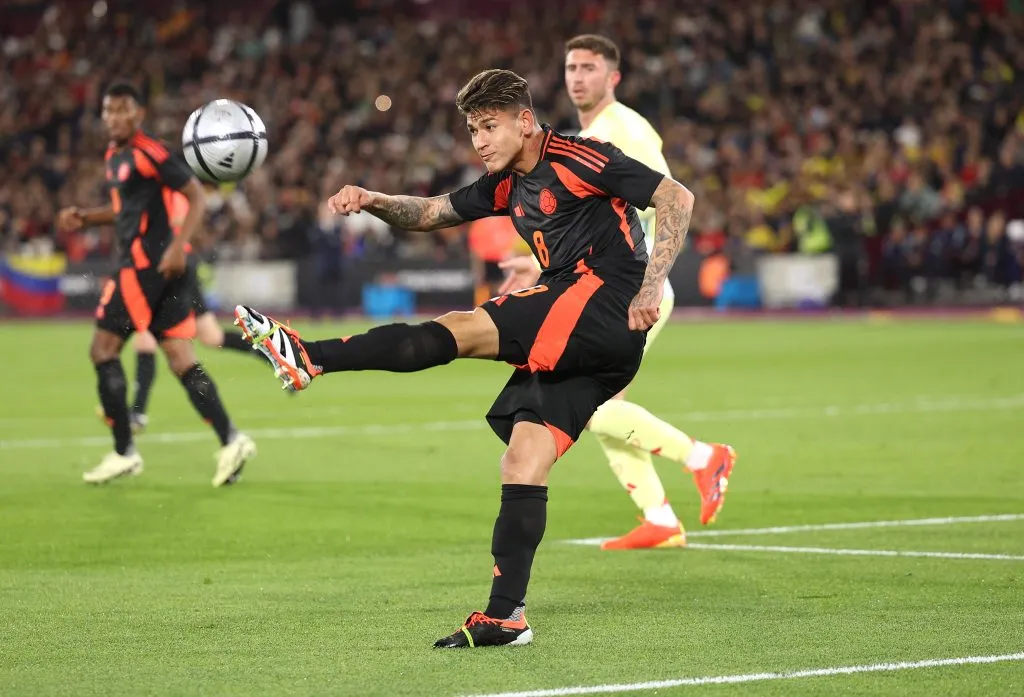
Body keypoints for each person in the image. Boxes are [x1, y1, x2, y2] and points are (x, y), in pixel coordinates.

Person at [233, 68, 719, 648]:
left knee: (460, 329)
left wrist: (651, 285)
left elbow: (676, 196)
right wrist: (373, 200)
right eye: (472, 130)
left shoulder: (580, 157)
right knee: (522, 462)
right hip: (593, 341)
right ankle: (506, 616)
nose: (479, 141)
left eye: (489, 127)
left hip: (601, 302)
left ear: (524, 121)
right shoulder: (505, 184)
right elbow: (431, 212)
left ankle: (309, 357)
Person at [499, 34, 735, 550]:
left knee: (594, 404)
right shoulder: (591, 134)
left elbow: (668, 200)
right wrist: (537, 261)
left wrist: (648, 280)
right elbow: (590, 221)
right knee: (603, 405)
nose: (578, 77)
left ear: (613, 77)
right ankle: (660, 518)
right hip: (610, 285)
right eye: (571, 68)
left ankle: (704, 458)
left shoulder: (622, 129)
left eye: (589, 68)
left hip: (632, 286)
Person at [57, 82, 256, 486]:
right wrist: (87, 218)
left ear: (139, 114)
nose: (114, 117)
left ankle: (124, 452)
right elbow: (124, 210)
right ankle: (231, 439)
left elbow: (196, 196)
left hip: (145, 268)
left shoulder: (151, 152)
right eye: (109, 110)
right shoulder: (116, 155)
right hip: (163, 270)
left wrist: (179, 247)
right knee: (181, 358)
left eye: (122, 110)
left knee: (103, 350)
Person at [125, 188, 269, 433]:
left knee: (147, 337)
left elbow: (183, 225)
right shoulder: (159, 193)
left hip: (175, 270)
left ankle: (137, 413)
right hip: (169, 269)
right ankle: (268, 351)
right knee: (212, 337)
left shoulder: (172, 194)